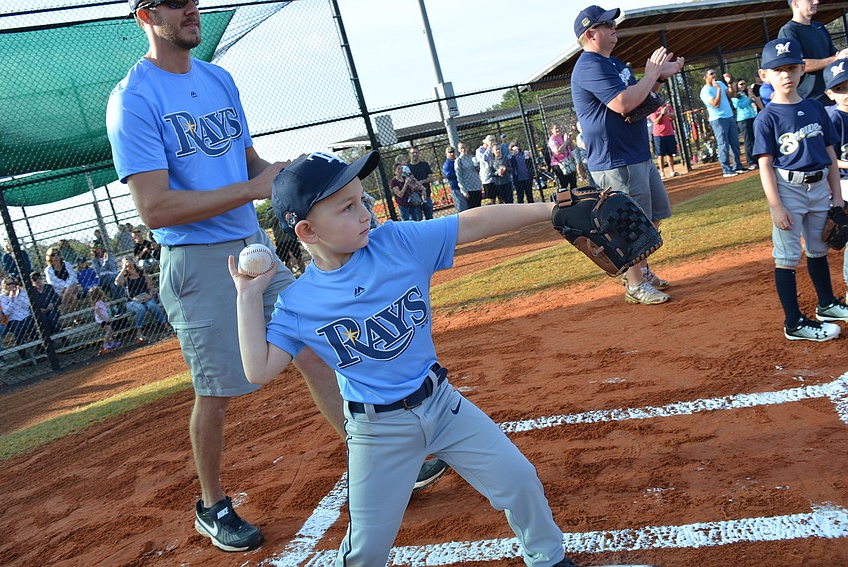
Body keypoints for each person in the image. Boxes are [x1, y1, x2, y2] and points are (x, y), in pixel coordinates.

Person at [106, 0, 446, 553]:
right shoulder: (133, 99)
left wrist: (290, 176)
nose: (191, 9)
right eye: (174, 3)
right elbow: (155, 208)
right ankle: (212, 505)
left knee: (314, 347)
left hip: (253, 247)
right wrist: (251, 190)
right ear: (146, 15)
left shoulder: (218, 79)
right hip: (195, 258)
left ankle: (379, 460)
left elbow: (250, 167)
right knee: (217, 389)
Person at [234, 150, 577, 567]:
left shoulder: (396, 243)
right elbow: (258, 369)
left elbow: (473, 222)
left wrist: (552, 208)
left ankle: (549, 559)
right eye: (347, 208)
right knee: (367, 551)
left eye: (363, 200)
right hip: (378, 433)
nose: (365, 213)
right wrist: (249, 296)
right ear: (307, 231)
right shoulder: (299, 303)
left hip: (443, 404)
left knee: (519, 480)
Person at [571, 4, 683, 305]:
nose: (613, 28)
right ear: (590, 33)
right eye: (607, 25)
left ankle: (641, 271)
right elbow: (622, 103)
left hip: (635, 153)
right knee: (628, 222)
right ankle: (634, 284)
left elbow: (640, 100)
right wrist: (650, 75)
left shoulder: (613, 63)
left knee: (653, 216)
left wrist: (658, 79)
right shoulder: (589, 65)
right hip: (615, 159)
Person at [753, 38, 848, 341]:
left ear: (803, 69)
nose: (786, 75)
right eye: (777, 69)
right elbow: (765, 165)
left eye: (792, 68)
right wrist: (776, 205)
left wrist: (836, 195)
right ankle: (793, 322)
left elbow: (831, 155)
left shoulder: (816, 108)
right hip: (788, 189)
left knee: (819, 249)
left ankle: (827, 304)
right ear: (764, 75)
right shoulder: (766, 118)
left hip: (820, 186)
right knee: (787, 256)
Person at [779, 0, 848, 105]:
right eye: (810, 0)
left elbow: (836, 56)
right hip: (812, 100)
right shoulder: (789, 31)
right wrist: (835, 59)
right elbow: (800, 64)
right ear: (795, 3)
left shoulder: (820, 28)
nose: (816, 2)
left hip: (833, 96)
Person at [824, 59, 848, 300]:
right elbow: (828, 157)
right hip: (843, 182)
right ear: (829, 94)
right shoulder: (834, 119)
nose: (846, 93)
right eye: (840, 89)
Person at [701, 68, 746, 178]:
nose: (714, 75)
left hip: (729, 116)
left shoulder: (720, 83)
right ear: (705, 77)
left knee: (734, 142)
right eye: (711, 74)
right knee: (723, 144)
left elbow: (731, 95)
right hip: (718, 119)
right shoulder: (705, 91)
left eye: (715, 73)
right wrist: (718, 90)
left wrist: (729, 83)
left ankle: (738, 166)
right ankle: (726, 169)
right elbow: (715, 104)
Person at [114, 257, 168, 343]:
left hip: (146, 296)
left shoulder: (141, 273)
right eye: (126, 261)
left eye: (130, 260)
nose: (128, 262)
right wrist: (124, 268)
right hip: (132, 300)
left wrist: (149, 296)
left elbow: (150, 286)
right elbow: (117, 283)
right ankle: (139, 332)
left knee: (151, 305)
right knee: (140, 309)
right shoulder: (125, 276)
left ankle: (165, 325)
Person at [0, 277, 36, 354]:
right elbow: (6, 312)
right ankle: (22, 354)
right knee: (18, 329)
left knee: (29, 326)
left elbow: (27, 305)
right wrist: (11, 299)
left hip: (26, 315)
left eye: (13, 283)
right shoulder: (2, 297)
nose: (11, 286)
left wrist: (18, 296)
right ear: (5, 286)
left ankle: (40, 348)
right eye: (8, 284)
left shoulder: (22, 292)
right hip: (13, 319)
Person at [732, 78, 759, 170]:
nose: (743, 86)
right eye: (741, 84)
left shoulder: (745, 94)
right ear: (736, 86)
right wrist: (749, 97)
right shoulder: (735, 97)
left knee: (755, 139)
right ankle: (751, 162)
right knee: (748, 141)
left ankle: (757, 159)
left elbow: (753, 101)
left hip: (752, 117)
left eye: (744, 84)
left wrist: (751, 94)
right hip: (743, 120)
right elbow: (741, 106)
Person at [44, 246, 80, 314]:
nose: (56, 256)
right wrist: (65, 287)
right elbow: (52, 282)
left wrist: (66, 287)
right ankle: (76, 317)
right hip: (59, 290)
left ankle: (62, 310)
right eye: (53, 255)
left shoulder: (67, 264)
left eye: (58, 254)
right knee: (73, 297)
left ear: (60, 255)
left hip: (72, 286)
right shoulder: (48, 270)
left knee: (68, 290)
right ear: (50, 257)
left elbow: (73, 276)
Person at [649, 101, 680, 178]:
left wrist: (667, 113)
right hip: (659, 135)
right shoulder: (653, 109)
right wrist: (662, 114)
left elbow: (673, 117)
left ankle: (672, 171)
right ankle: (662, 173)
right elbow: (656, 121)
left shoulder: (668, 107)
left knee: (670, 153)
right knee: (660, 155)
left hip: (669, 133)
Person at [89, 286, 122, 353]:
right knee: (109, 330)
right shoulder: (97, 303)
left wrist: (107, 304)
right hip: (102, 320)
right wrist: (104, 318)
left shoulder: (100, 301)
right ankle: (105, 344)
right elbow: (98, 313)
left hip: (105, 318)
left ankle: (112, 343)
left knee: (109, 330)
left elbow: (103, 307)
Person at [29, 271, 61, 337]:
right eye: (35, 279)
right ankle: (55, 337)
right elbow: (29, 306)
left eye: (39, 278)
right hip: (40, 312)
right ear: (32, 282)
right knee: (44, 319)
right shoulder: (31, 291)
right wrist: (38, 309)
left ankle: (57, 336)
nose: (37, 281)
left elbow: (58, 299)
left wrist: (53, 304)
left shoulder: (48, 287)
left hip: (51, 309)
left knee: (52, 317)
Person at [407, 147, 435, 220]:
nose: (415, 154)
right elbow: (408, 182)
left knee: (430, 218)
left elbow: (431, 178)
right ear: (410, 154)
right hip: (415, 197)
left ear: (419, 153)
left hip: (427, 195)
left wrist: (421, 182)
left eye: (416, 152)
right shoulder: (407, 168)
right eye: (413, 153)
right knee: (418, 219)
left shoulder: (424, 164)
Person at [547, 123, 577, 189]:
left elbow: (573, 148)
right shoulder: (552, 140)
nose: (558, 129)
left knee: (573, 182)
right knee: (564, 184)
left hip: (569, 161)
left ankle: (575, 198)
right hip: (559, 164)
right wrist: (565, 142)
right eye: (556, 128)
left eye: (559, 127)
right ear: (552, 130)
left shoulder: (564, 136)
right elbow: (558, 151)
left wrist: (570, 141)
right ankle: (565, 198)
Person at [455, 141, 482, 208]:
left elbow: (478, 170)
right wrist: (464, 190)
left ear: (467, 147)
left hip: (477, 186)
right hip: (468, 187)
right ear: (458, 149)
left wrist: (477, 165)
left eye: (465, 147)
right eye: (461, 148)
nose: (463, 149)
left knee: (478, 206)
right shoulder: (459, 160)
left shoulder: (473, 157)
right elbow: (459, 176)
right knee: (471, 208)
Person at [441, 146, 467, 212]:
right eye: (450, 153)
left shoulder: (458, 160)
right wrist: (459, 173)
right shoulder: (447, 164)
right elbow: (449, 175)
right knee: (461, 208)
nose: (452, 154)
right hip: (456, 187)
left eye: (452, 152)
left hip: (465, 185)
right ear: (446, 154)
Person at [476, 135, 496, 202]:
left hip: (495, 175)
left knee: (500, 195)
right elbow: (484, 159)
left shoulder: (493, 149)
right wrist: (489, 148)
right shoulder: (479, 150)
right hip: (486, 176)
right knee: (492, 197)